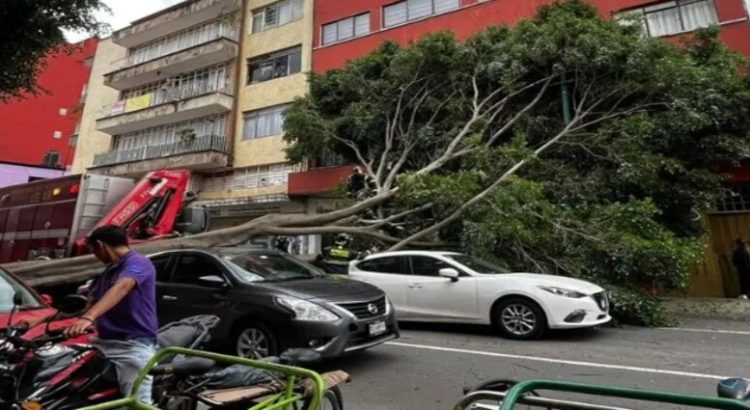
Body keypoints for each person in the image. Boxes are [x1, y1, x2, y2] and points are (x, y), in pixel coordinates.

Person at [65, 225, 158, 403]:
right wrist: (40, 320)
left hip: (133, 345)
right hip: (105, 343)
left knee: (137, 403)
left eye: (93, 251)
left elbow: (122, 287)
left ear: (100, 245)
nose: (96, 256)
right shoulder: (109, 271)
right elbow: (88, 302)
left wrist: (88, 317)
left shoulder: (138, 263)